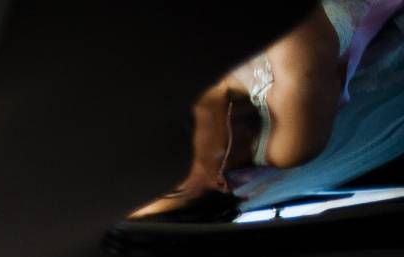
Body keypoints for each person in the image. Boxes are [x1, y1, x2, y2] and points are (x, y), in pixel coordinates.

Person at [131, 0, 404, 221]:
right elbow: (303, 28)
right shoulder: (290, 141)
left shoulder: (166, 78)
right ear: (219, 183)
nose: (164, 161)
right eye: (172, 187)